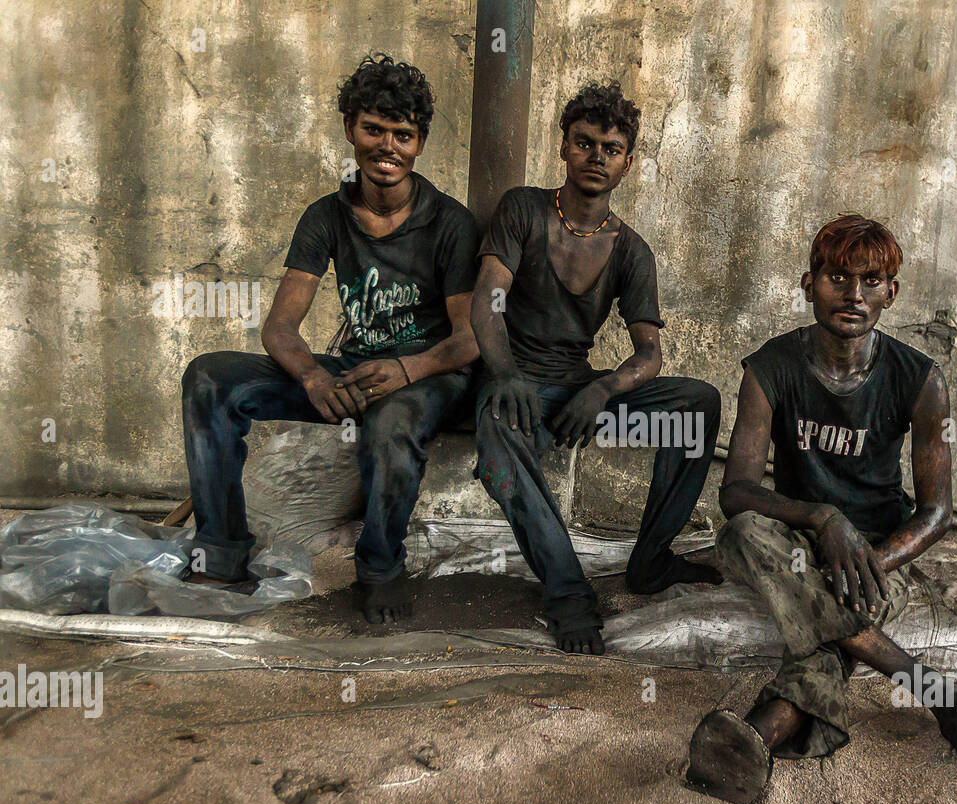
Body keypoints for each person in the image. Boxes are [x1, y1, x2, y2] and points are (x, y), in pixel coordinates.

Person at [686, 214, 957, 804]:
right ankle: (939, 696)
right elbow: (736, 492)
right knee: (741, 533)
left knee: (822, 642)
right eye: (837, 276)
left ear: (891, 292)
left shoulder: (920, 379)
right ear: (808, 282)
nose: (853, 294)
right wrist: (821, 516)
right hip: (789, 534)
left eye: (871, 281)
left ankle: (753, 741)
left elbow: (936, 513)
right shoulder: (770, 369)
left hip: (874, 549)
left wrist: (869, 558)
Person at [180, 54, 480, 624]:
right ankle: (220, 551)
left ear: (420, 143)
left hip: (431, 377)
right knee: (210, 378)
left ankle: (380, 568)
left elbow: (468, 341)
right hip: (354, 373)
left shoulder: (450, 223)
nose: (387, 146)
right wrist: (314, 375)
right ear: (350, 128)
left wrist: (407, 371)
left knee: (391, 423)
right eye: (374, 129)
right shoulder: (326, 216)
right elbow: (280, 327)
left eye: (403, 135)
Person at [469, 81, 723, 656]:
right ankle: (567, 594)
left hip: (581, 395)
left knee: (697, 404)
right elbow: (487, 302)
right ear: (564, 146)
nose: (596, 158)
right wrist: (505, 375)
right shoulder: (523, 210)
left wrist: (603, 389)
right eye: (584, 144)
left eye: (610, 149)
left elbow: (649, 356)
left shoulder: (632, 250)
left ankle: (652, 561)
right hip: (516, 382)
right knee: (500, 447)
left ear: (627, 163)